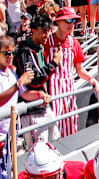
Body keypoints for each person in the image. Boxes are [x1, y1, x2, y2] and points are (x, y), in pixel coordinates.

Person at [46, 7, 99, 138]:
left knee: (71, 123)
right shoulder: (47, 41)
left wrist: (91, 79)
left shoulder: (74, 43)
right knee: (54, 128)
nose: (71, 24)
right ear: (58, 22)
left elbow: (79, 70)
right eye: (67, 20)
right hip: (51, 90)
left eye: (73, 21)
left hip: (68, 89)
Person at [15, 14, 61, 147]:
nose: (46, 36)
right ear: (33, 31)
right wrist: (54, 63)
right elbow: (34, 80)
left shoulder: (39, 49)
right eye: (43, 32)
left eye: (48, 32)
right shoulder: (26, 52)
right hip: (33, 112)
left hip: (43, 107)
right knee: (39, 152)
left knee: (53, 145)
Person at [0, 34, 34, 142]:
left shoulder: (11, 73)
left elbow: (22, 93)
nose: (10, 56)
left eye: (12, 53)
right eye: (6, 53)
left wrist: (40, 95)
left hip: (11, 132)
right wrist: (18, 84)